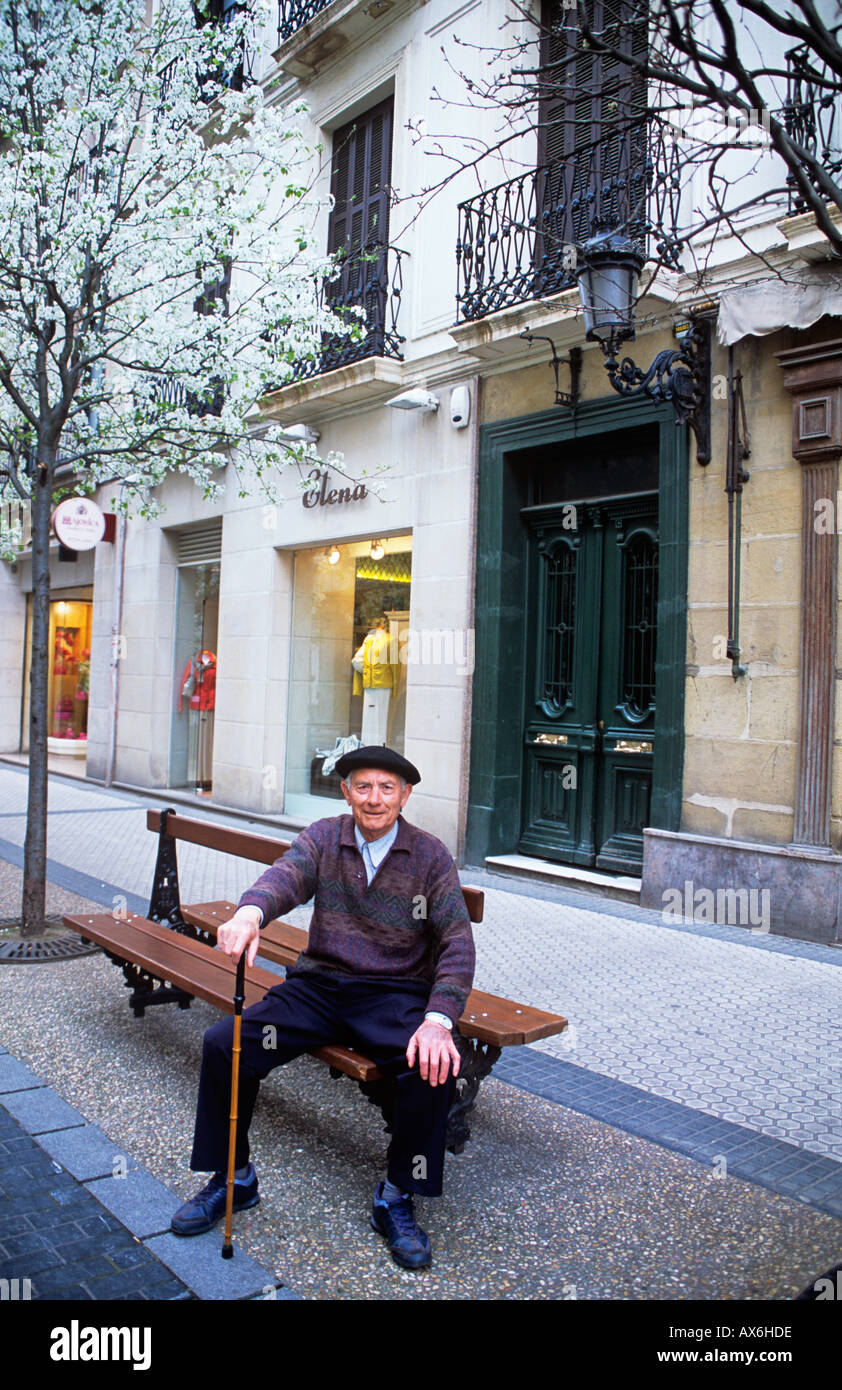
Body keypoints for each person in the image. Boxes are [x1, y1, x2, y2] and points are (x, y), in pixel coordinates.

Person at [170, 745, 476, 1270]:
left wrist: (438, 1018)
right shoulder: (325, 838)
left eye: (386, 789)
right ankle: (233, 1178)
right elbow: (286, 875)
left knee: (431, 1067)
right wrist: (250, 913)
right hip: (319, 987)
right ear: (345, 792)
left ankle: (398, 1195)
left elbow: (456, 942)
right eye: (363, 787)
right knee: (227, 1044)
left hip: (393, 993)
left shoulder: (429, 856)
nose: (374, 799)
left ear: (404, 796)